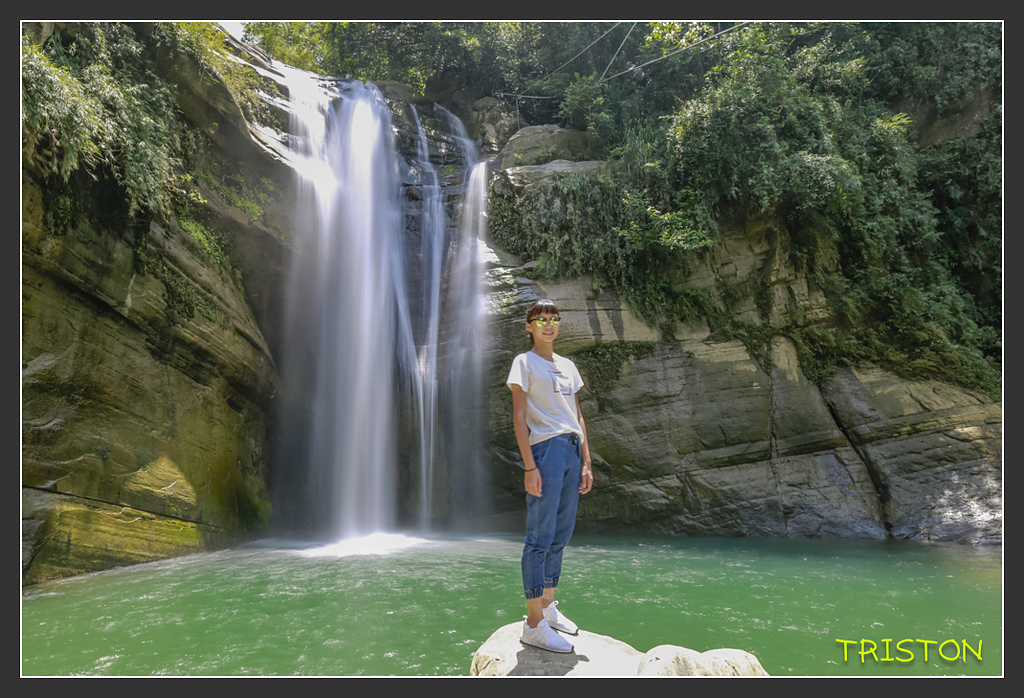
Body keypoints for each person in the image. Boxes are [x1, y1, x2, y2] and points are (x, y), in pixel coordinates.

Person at [505, 299, 593, 653]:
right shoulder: (524, 362)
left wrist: (586, 461)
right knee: (539, 537)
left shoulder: (568, 366)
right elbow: (518, 416)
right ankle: (533, 623)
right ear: (529, 326)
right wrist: (529, 466)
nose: (548, 324)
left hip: (571, 448)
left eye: (554, 318)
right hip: (546, 449)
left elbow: (578, 415)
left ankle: (547, 607)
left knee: (560, 534)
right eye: (540, 319)